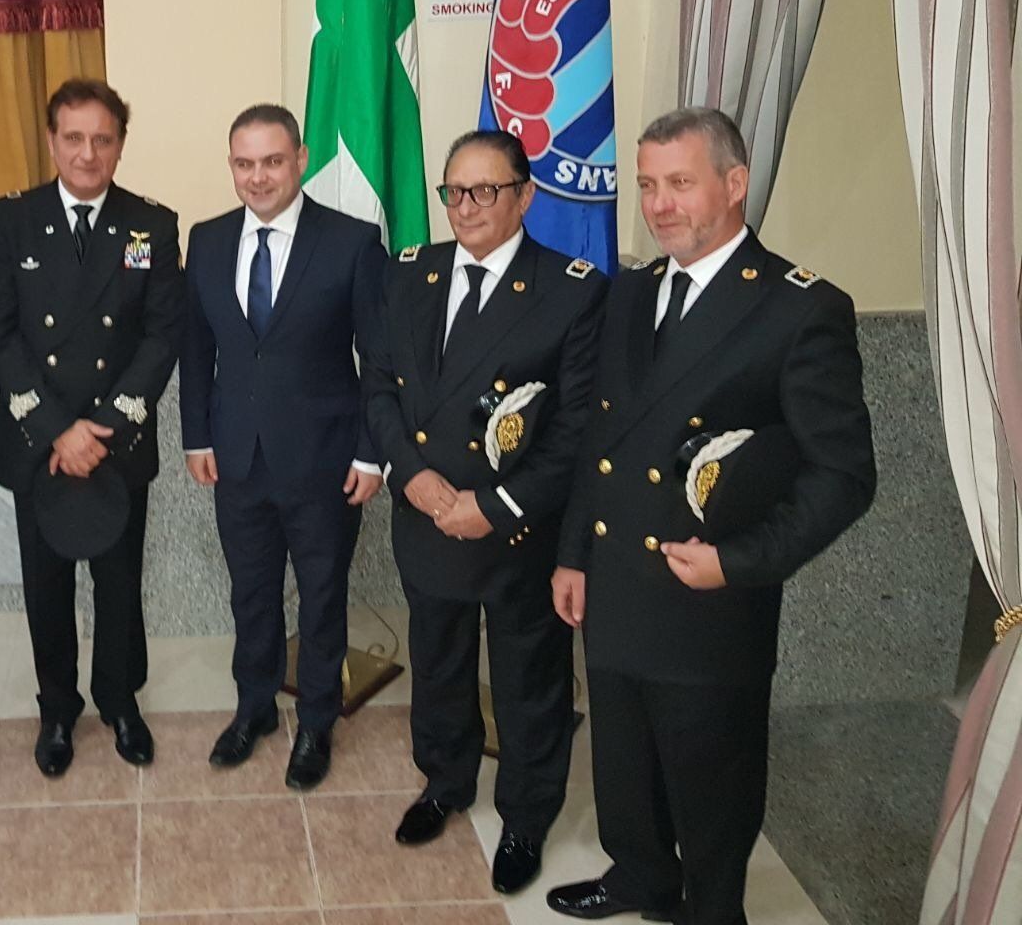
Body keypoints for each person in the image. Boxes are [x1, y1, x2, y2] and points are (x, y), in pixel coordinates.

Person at [546, 107, 876, 925]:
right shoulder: (632, 291)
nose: (659, 205)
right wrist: (573, 553)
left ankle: (713, 909)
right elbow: (600, 439)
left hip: (710, 603)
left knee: (710, 783)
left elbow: (844, 476)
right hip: (617, 585)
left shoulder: (799, 310)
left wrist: (740, 561)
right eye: (647, 185)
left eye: (680, 183)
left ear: (735, 184)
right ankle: (641, 879)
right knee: (625, 764)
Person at [363, 130, 605, 894]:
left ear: (525, 196)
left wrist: (494, 505)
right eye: (454, 191)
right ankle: (445, 781)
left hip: (514, 528)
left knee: (529, 679)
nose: (465, 207)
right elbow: (380, 385)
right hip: (427, 514)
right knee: (437, 661)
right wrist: (410, 476)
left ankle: (526, 816)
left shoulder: (571, 291)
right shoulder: (411, 272)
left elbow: (576, 429)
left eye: (485, 190)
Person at [0, 78, 183, 777]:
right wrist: (58, 430)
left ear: (120, 145)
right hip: (40, 441)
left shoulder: (151, 225)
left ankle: (120, 701)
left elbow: (162, 336)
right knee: (48, 586)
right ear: (51, 141)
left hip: (114, 441)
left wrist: (102, 427)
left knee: (119, 583)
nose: (87, 153)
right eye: (73, 138)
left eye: (102, 139)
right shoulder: (10, 221)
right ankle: (57, 709)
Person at [179, 103, 386, 789]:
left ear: (300, 159)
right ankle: (255, 707)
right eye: (245, 163)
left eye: (272, 161)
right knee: (251, 592)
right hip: (237, 457)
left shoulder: (353, 242)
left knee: (322, 596)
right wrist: (196, 436)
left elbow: (378, 360)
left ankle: (318, 721)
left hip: (326, 462)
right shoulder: (207, 240)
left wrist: (370, 453)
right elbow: (196, 350)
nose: (258, 176)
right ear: (231, 166)